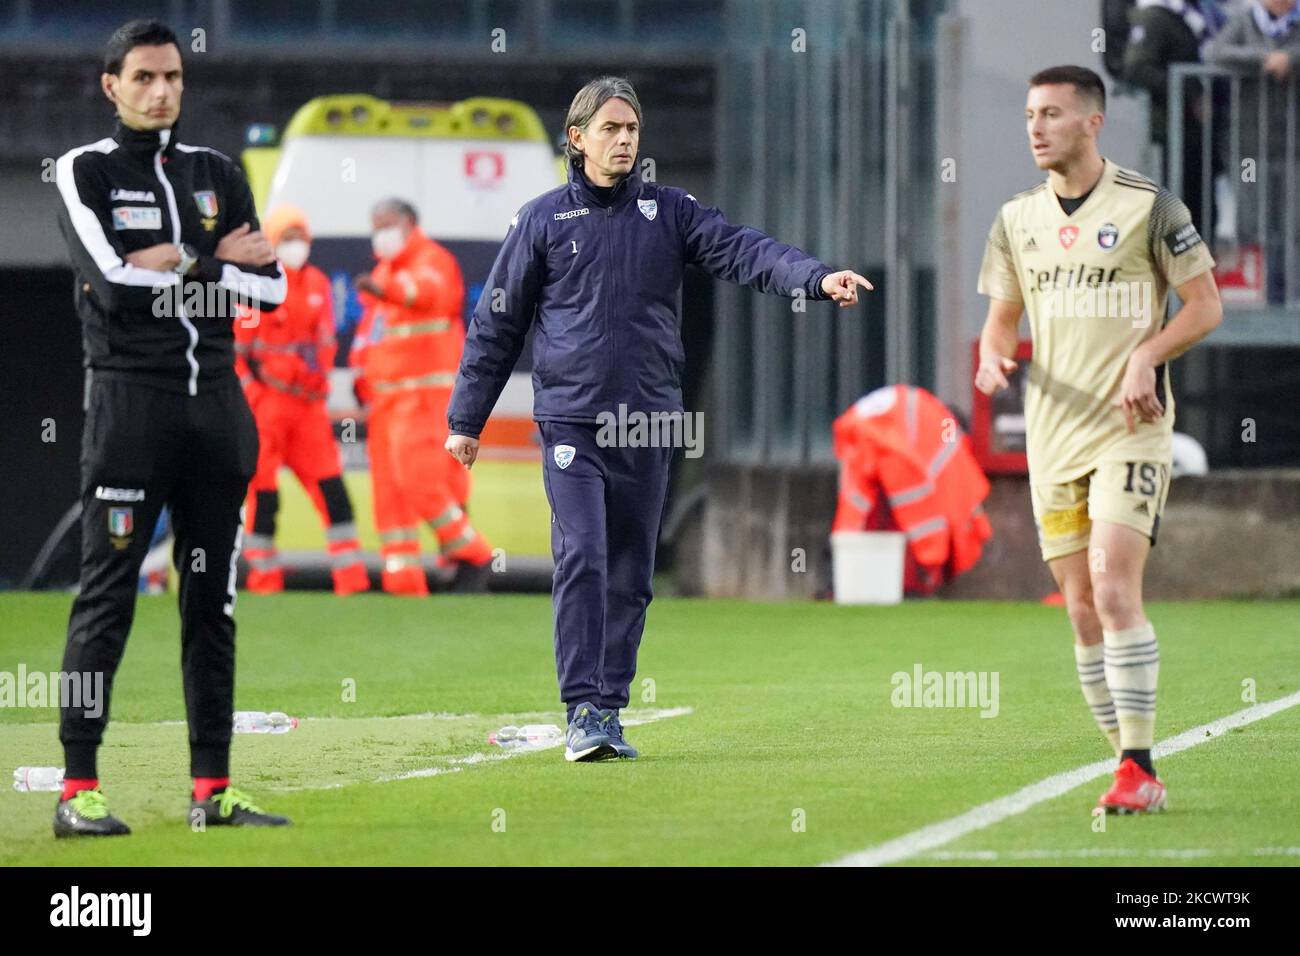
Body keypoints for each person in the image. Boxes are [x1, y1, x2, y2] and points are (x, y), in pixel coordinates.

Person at [446, 76, 872, 762]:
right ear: (578, 138)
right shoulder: (542, 220)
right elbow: (496, 324)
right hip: (572, 422)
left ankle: (609, 710)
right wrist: (467, 417)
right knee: (582, 553)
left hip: (649, 424)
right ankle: (581, 706)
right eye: (610, 129)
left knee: (631, 572)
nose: (623, 140)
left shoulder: (669, 212)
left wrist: (813, 278)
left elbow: (743, 250)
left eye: (632, 130)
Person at [53, 19, 291, 836]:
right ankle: (76, 789)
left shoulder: (218, 173)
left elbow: (273, 294)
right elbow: (116, 284)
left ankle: (212, 790)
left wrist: (184, 258)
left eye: (174, 78)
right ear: (111, 84)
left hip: (217, 418)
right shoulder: (83, 171)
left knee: (211, 606)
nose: (162, 91)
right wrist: (216, 262)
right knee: (107, 598)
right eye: (145, 77)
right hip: (130, 413)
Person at [975, 65, 1222, 813]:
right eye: (1028, 115)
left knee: (1116, 587)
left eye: (1051, 114)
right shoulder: (1016, 219)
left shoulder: (1149, 207)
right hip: (1053, 437)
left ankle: (1138, 768)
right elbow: (1003, 315)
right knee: (1081, 607)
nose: (1036, 128)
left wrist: (1147, 355)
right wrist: (993, 351)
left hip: (1131, 431)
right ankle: (1129, 763)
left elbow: (1205, 307)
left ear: (1092, 121)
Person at [351, 198, 492, 596]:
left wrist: (388, 288)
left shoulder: (432, 261)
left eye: (387, 224)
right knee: (390, 496)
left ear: (410, 223)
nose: (380, 232)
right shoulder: (384, 271)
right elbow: (373, 334)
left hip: (424, 396)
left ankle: (474, 554)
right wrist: (362, 375)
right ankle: (404, 585)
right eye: (375, 225)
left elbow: (429, 295)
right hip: (386, 401)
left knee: (420, 482)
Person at [235, 205, 369, 595]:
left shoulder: (318, 284)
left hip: (308, 406)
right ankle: (264, 581)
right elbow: (239, 354)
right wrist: (251, 399)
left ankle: (352, 581)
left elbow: (324, 342)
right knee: (264, 495)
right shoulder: (257, 285)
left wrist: (318, 382)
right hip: (267, 406)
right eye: (288, 237)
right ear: (273, 241)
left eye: (300, 237)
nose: (296, 245)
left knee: (333, 493)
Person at [1208, 0, 1300, 302]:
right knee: (1252, 221)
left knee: (1292, 223)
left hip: (1293, 149)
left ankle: (1292, 297)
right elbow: (1215, 53)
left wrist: (1290, 59)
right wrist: (1265, 59)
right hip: (1249, 149)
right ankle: (1262, 295)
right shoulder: (1243, 20)